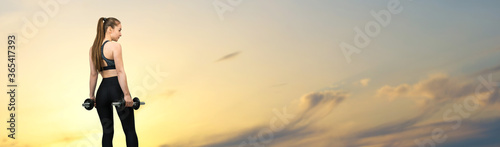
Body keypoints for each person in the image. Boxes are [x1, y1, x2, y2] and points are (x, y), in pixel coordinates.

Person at [88, 17, 138, 147]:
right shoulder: (115, 46)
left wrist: (92, 96)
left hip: (102, 92)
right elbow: (120, 72)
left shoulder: (92, 49)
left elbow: (93, 74)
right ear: (110, 30)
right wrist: (126, 95)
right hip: (116, 88)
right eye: (119, 30)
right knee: (129, 130)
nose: (121, 34)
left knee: (107, 133)